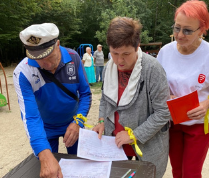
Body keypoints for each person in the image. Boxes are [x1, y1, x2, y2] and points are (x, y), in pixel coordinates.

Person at [157, 0, 209, 178]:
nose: (180, 35)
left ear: (202, 30)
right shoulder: (165, 52)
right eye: (177, 28)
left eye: (187, 30)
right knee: (177, 170)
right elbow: (157, 86)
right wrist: (168, 96)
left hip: (198, 125)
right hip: (173, 121)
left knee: (191, 173)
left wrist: (206, 104)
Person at [93, 17, 171, 178]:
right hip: (115, 144)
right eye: (114, 53)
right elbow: (105, 100)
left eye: (126, 54)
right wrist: (101, 120)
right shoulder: (109, 67)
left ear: (137, 47)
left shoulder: (152, 69)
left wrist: (134, 135)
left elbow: (164, 112)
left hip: (146, 145)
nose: (120, 60)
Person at [13, 23, 92, 178]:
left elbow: (85, 94)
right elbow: (30, 117)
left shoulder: (74, 58)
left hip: (73, 121)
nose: (46, 65)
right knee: (49, 169)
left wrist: (78, 122)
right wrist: (43, 153)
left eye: (49, 57)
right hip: (45, 127)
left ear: (57, 44)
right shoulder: (23, 72)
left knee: (79, 168)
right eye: (39, 60)